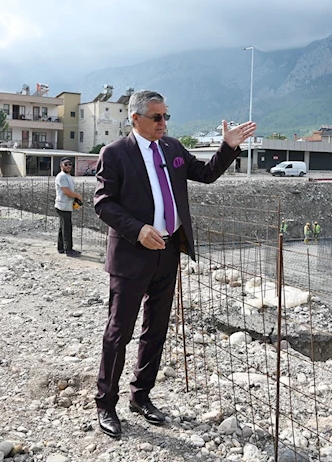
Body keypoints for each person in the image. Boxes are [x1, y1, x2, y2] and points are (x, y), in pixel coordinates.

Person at [92, 90, 255, 439]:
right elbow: (103, 203)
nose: (163, 123)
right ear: (134, 119)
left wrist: (228, 147)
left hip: (168, 252)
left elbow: (206, 174)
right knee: (118, 332)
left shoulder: (172, 148)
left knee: (156, 329)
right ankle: (106, 403)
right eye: (156, 117)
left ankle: (141, 396)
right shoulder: (115, 153)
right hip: (131, 256)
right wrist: (138, 230)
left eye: (166, 116)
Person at [55, 157, 83, 256]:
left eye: (70, 164)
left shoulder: (68, 176)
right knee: (67, 228)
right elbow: (66, 192)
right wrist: (78, 196)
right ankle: (69, 250)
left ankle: (61, 248)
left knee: (62, 227)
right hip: (63, 205)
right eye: (66, 164)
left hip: (66, 205)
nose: (68, 166)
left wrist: (75, 199)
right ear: (61, 166)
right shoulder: (62, 176)